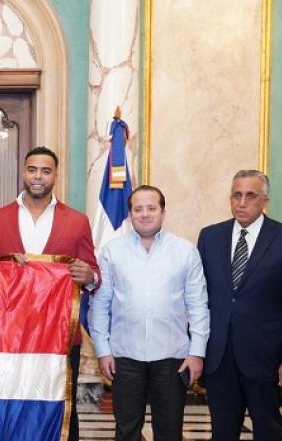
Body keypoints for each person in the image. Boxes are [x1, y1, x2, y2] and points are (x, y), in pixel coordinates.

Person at [0, 146, 100, 441]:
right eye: (33, 169)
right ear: (24, 173)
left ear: (55, 176)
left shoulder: (76, 221)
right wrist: (3, 263)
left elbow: (93, 271)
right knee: (10, 404)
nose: (38, 177)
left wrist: (91, 277)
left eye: (46, 171)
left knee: (60, 407)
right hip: (8, 335)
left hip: (59, 334)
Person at [197, 170, 282, 441]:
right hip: (219, 358)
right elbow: (199, 298)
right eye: (237, 195)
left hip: (266, 359)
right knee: (222, 433)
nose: (242, 202)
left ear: (265, 200)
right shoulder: (210, 237)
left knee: (268, 431)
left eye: (251, 196)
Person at [89, 185, 209, 441]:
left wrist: (197, 352)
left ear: (163, 212)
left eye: (151, 208)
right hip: (124, 356)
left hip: (172, 358)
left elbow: (198, 305)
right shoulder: (112, 251)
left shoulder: (185, 251)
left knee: (169, 431)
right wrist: (103, 350)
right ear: (130, 213)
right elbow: (100, 304)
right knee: (126, 430)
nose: (145, 214)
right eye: (138, 209)